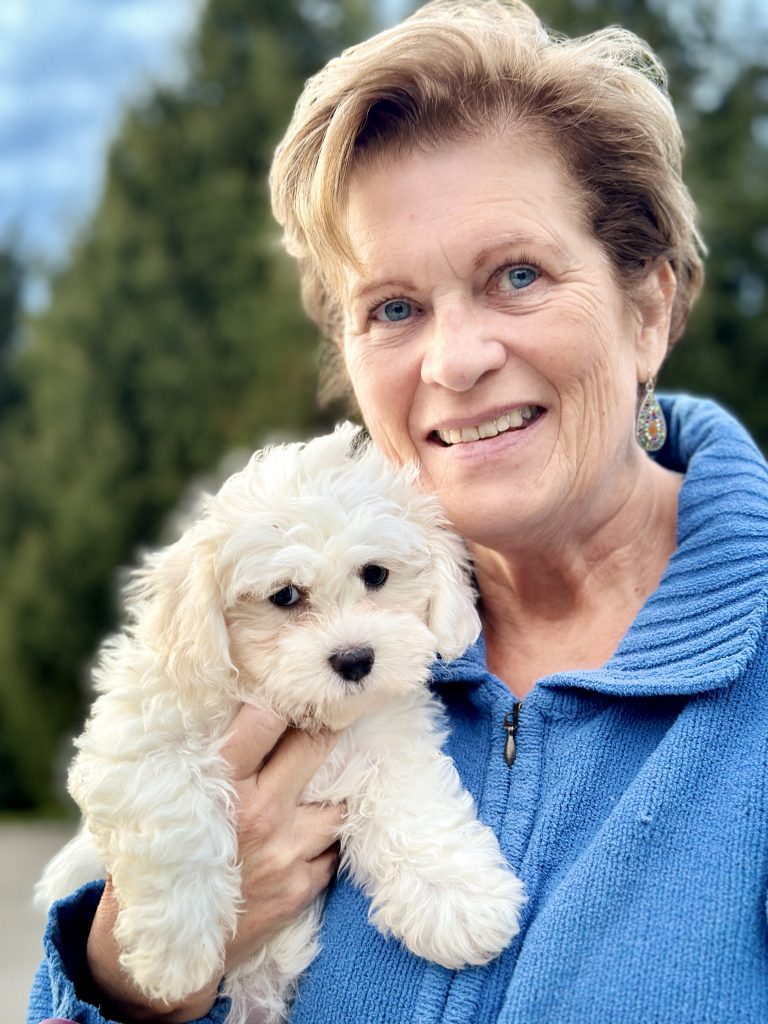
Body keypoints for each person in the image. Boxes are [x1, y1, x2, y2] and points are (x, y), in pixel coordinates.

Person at [29, 1, 768, 1022]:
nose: (455, 360)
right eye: (393, 308)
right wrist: (131, 977)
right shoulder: (251, 645)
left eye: (518, 275)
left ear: (650, 308)